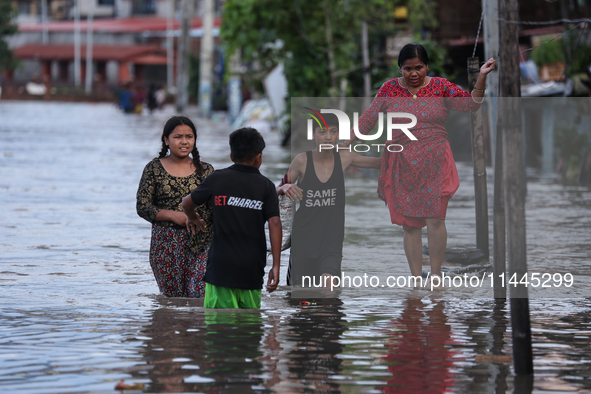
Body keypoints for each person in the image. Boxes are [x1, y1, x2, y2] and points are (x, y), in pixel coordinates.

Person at [347, 43, 495, 286]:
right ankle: (416, 280)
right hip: (403, 164)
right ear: (400, 69)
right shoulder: (389, 89)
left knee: (436, 219)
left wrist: (481, 78)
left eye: (419, 68)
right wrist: (344, 143)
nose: (413, 73)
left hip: (436, 162)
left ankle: (435, 277)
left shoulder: (440, 86)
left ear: (427, 67)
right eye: (407, 69)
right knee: (410, 226)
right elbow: (368, 119)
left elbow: (471, 104)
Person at [277, 113, 381, 290]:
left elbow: (382, 163)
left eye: (333, 132)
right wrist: (284, 188)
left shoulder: (345, 157)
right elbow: (274, 191)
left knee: (329, 289)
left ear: (338, 134)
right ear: (314, 134)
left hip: (331, 240)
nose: (328, 137)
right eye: (322, 132)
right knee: (301, 300)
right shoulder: (301, 160)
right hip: (303, 240)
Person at [182, 127, 282, 309]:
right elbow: (274, 223)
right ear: (258, 157)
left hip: (221, 268)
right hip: (252, 269)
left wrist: (192, 218)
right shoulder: (266, 186)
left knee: (218, 328)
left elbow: (186, 203)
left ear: (231, 155)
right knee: (250, 329)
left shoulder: (217, 179)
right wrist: (276, 265)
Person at [136, 116, 214, 297]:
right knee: (174, 302)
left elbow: (218, 206)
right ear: (166, 140)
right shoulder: (153, 168)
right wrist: (174, 215)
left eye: (190, 136)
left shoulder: (207, 170)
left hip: (204, 243)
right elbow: (142, 206)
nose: (184, 141)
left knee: (199, 294)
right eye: (178, 137)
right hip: (166, 245)